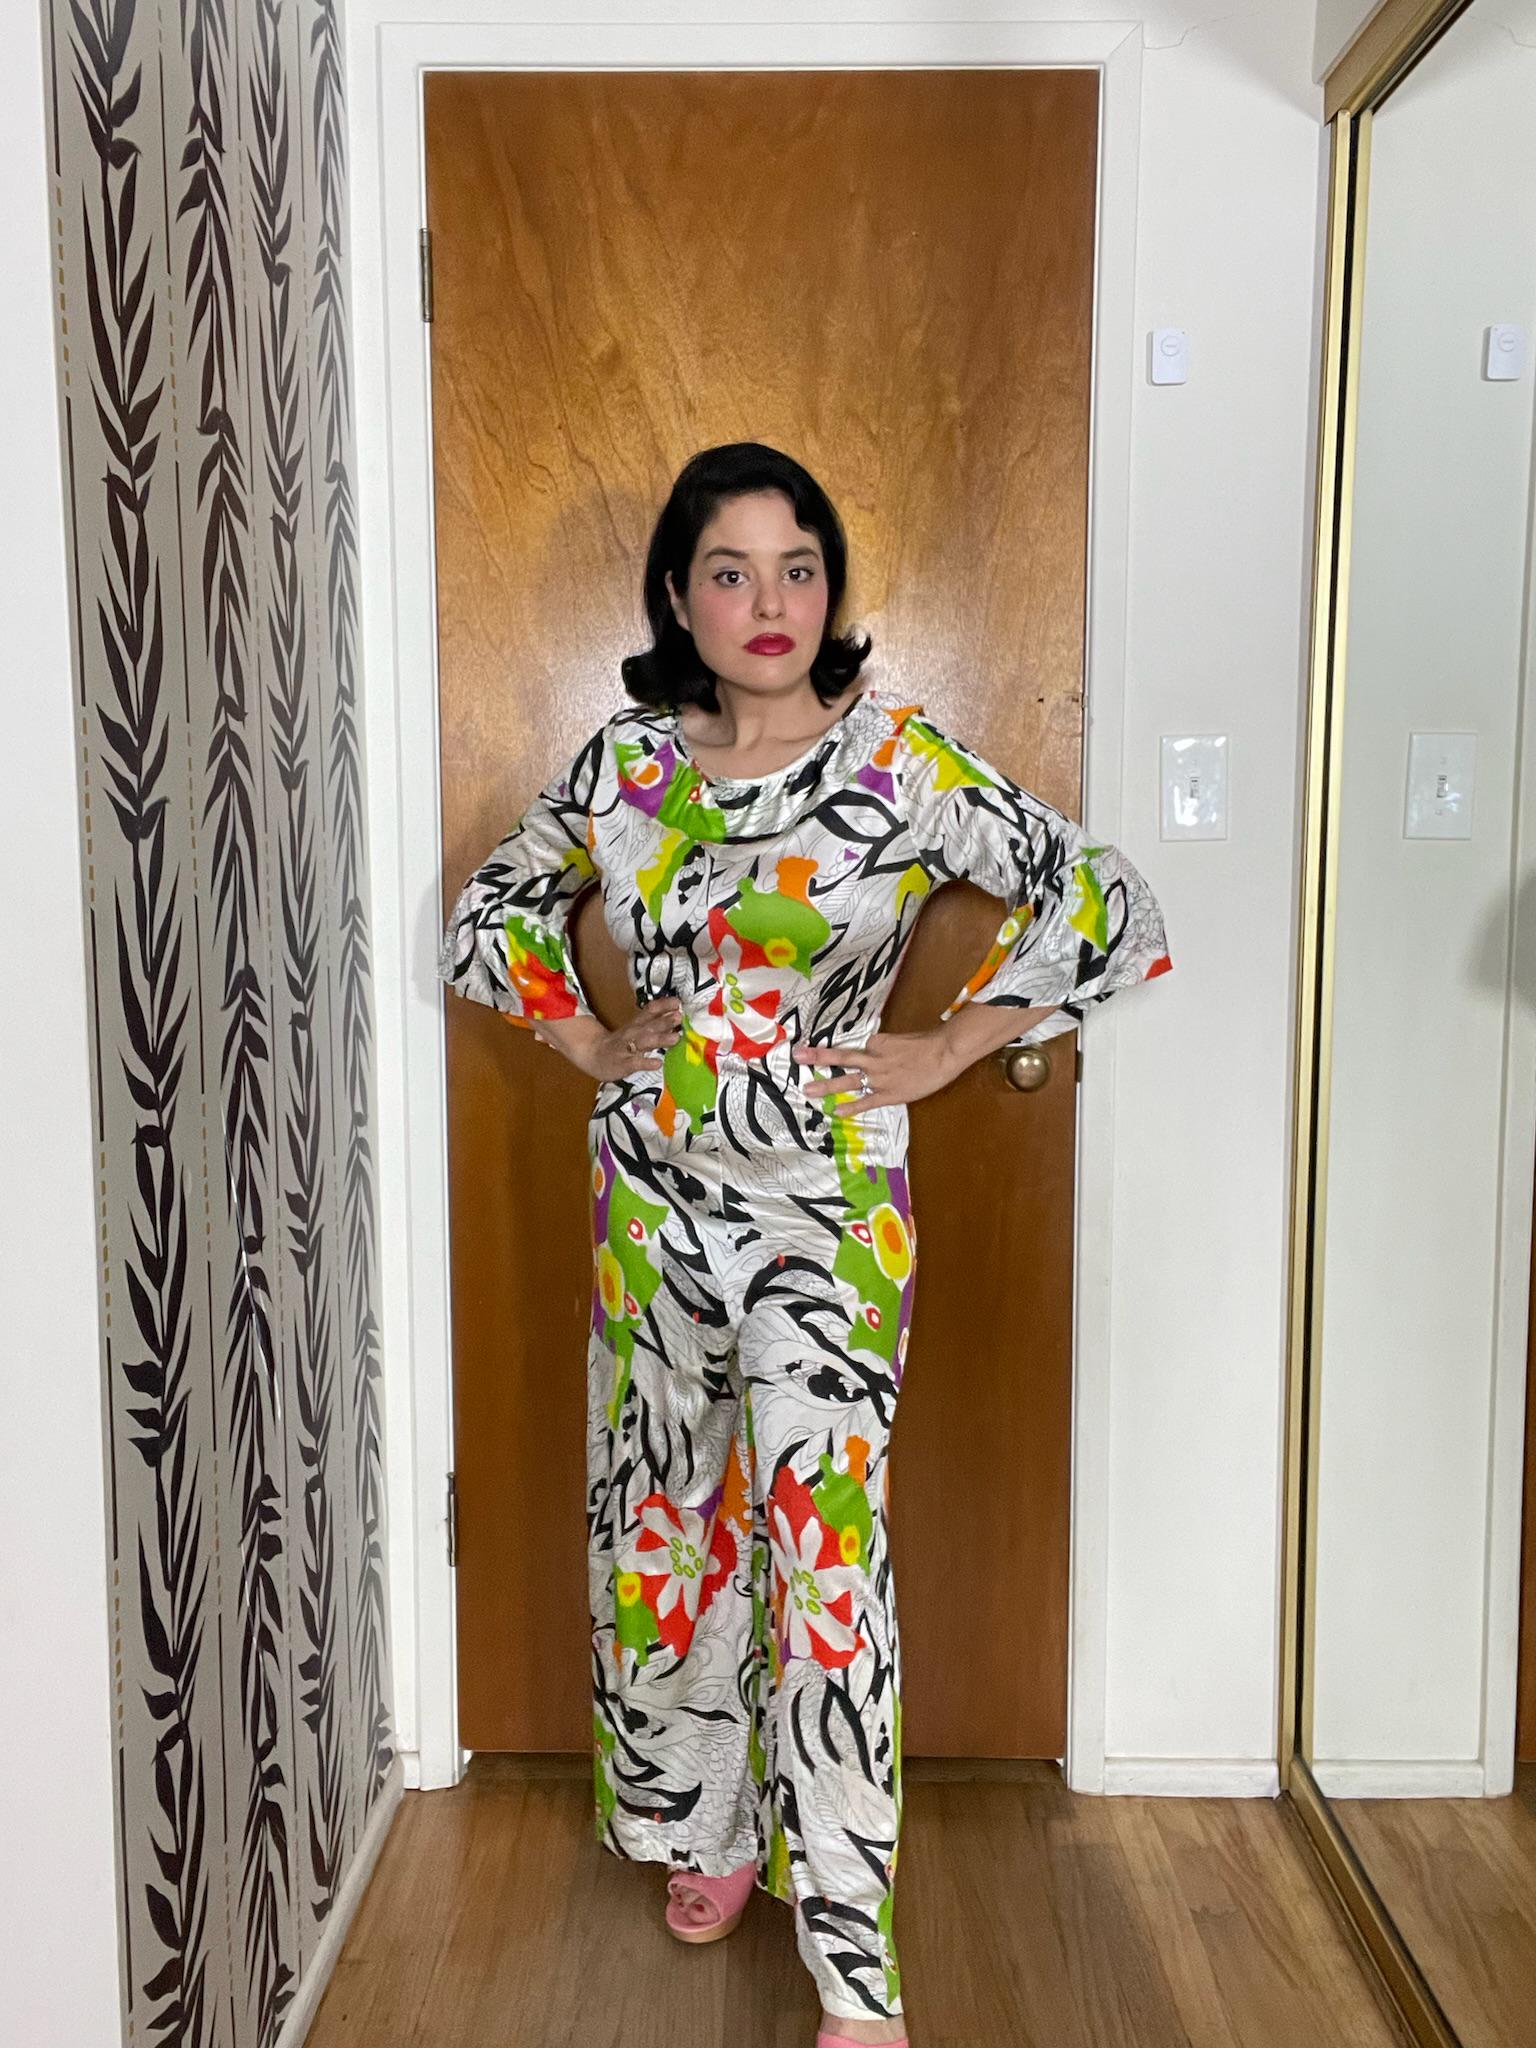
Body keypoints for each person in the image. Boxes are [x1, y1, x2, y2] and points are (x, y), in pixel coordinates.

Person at [438, 442, 1173, 2047]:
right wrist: (589, 1041)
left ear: (831, 589)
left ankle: (856, 1967)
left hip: (829, 1213)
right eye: (730, 570)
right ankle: (705, 1826)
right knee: (672, 1524)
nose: (768, 602)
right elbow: (486, 917)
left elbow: (1103, 899)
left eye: (797, 567)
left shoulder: (897, 762)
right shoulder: (626, 764)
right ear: (679, 596)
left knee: (824, 1557)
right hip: (651, 1212)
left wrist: (954, 1043)